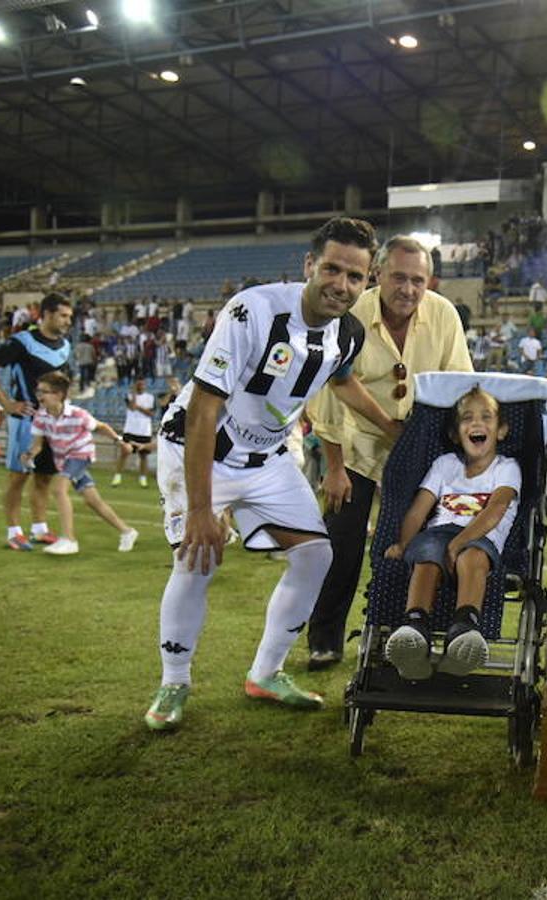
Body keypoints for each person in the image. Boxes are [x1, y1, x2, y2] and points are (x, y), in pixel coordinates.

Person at [144, 217, 401, 732]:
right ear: (309, 265)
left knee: (316, 555)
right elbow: (202, 411)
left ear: (367, 280)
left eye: (355, 276)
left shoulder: (347, 332)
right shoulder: (251, 311)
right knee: (198, 557)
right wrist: (200, 509)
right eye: (331, 269)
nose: (341, 285)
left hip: (267, 459)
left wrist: (391, 427)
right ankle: (174, 681)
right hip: (202, 448)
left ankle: (266, 673)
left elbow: (343, 380)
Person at [304, 236, 473, 670]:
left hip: (419, 451)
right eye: (399, 277)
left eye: (418, 280)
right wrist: (335, 468)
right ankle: (325, 639)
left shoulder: (443, 314)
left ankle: (398, 634)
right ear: (379, 275)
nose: (409, 289)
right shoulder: (352, 312)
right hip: (355, 446)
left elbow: (460, 385)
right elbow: (326, 397)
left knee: (410, 546)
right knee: (340, 546)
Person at [383, 387, 520, 679]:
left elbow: (495, 510)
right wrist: (404, 543)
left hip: (481, 534)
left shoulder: (506, 468)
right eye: (467, 418)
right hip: (440, 532)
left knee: (473, 556)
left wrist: (458, 543)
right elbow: (419, 510)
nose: (476, 423)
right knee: (426, 556)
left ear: (502, 430)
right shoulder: (445, 465)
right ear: (457, 434)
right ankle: (415, 629)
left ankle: (464, 629)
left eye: (486, 416)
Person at [0, 292, 73, 551]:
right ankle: (13, 532)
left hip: (51, 424)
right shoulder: (22, 341)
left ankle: (39, 530)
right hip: (25, 421)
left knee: (43, 477)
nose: (68, 321)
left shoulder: (66, 345)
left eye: (70, 316)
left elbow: (65, 384)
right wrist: (6, 403)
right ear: (48, 314)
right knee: (18, 476)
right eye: (63, 315)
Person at [22, 372, 139, 556]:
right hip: (64, 461)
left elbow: (100, 427)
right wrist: (29, 454)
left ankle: (69, 540)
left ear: (59, 394)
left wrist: (120, 441)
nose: (40, 396)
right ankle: (127, 531)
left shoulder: (78, 414)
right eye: (39, 391)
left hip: (80, 454)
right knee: (93, 501)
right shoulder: (40, 417)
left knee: (59, 489)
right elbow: (38, 445)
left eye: (45, 391)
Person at [112, 377, 156, 487]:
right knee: (124, 452)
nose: (140, 386)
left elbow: (150, 413)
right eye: (138, 384)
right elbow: (132, 407)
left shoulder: (150, 398)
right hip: (130, 429)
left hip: (144, 430)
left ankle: (143, 479)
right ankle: (117, 477)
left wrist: (139, 408)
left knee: (143, 456)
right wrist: (134, 395)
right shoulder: (129, 396)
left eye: (142, 384)